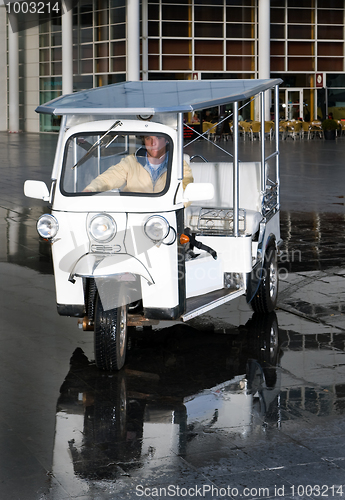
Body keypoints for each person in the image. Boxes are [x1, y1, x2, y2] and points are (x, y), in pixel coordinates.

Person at [84, 135, 193, 194]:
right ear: (144, 141)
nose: (153, 143)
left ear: (167, 141)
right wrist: (91, 189)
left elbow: (187, 189)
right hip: (134, 214)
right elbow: (108, 178)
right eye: (148, 138)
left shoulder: (179, 164)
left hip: (164, 216)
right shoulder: (131, 161)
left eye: (158, 138)